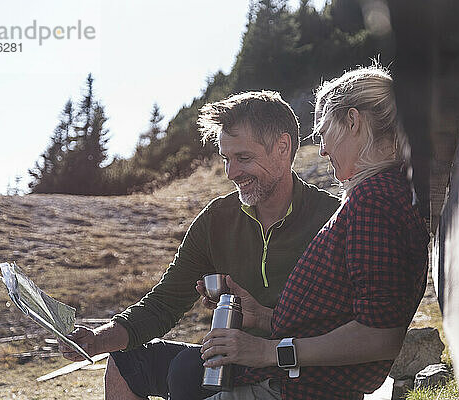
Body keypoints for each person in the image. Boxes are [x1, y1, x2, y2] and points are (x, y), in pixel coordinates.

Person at [59, 91, 340, 400]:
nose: (232, 173)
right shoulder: (217, 219)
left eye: (243, 158)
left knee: (185, 371)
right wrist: (97, 341)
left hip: (295, 373)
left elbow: (346, 329)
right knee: (131, 362)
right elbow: (163, 304)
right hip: (230, 365)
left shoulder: (331, 218)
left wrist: (262, 319)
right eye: (226, 159)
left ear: (282, 148)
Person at [199, 65, 430, 400]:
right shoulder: (385, 192)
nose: (321, 150)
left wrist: (268, 352)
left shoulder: (374, 200)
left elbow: (380, 337)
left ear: (353, 122)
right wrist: (264, 317)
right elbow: (340, 315)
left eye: (323, 133)